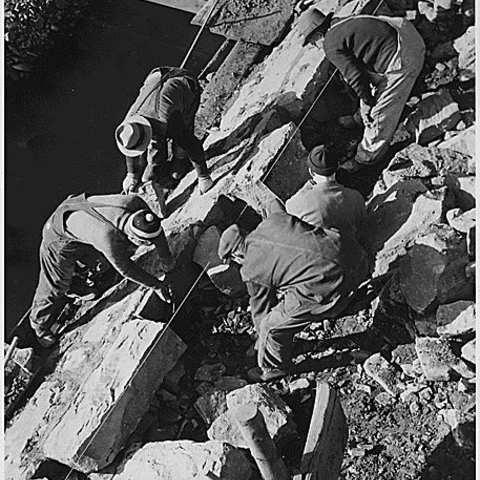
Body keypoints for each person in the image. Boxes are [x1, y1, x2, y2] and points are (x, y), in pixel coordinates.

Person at [217, 205, 368, 382]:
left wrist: (261, 343)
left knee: (270, 327)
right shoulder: (274, 221)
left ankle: (274, 368)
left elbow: (260, 312)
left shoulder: (250, 269)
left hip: (332, 283)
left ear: (236, 256)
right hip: (356, 256)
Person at [29, 193, 174, 348]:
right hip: (58, 237)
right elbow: (125, 269)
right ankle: (39, 325)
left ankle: (76, 285)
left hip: (83, 219)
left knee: (99, 261)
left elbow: (155, 231)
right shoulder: (107, 237)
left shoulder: (135, 204)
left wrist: (167, 259)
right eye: (145, 243)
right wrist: (156, 285)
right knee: (57, 284)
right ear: (134, 237)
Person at [298, 8, 425, 172]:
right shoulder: (344, 21)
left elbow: (356, 77)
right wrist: (364, 102)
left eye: (313, 43)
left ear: (316, 36)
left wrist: (367, 104)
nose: (316, 47)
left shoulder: (330, 44)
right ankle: (359, 118)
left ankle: (366, 158)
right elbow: (361, 72)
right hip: (409, 36)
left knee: (378, 115)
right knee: (369, 85)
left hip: (404, 57)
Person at [115, 66, 213, 196]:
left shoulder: (167, 121)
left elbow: (191, 143)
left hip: (182, 83)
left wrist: (204, 177)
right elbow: (131, 142)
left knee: (181, 145)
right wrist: (131, 175)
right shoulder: (129, 125)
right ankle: (157, 163)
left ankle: (179, 159)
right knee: (155, 148)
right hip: (155, 79)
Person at [285, 145, 366, 242]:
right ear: (336, 168)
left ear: (311, 172)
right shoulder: (356, 198)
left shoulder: (299, 203)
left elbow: (288, 207)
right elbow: (362, 227)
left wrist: (308, 186)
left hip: (316, 251)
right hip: (350, 250)